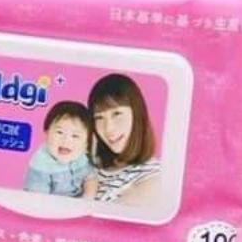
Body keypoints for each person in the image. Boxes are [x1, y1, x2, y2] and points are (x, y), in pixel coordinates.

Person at [87, 73, 160, 205]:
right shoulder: (89, 163)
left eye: (117, 114)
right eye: (99, 117)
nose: (108, 128)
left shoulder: (151, 179)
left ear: (137, 114)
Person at [23, 101, 98, 198]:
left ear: (86, 144)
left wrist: (87, 197)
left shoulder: (81, 156)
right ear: (46, 133)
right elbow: (38, 200)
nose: (66, 140)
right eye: (59, 132)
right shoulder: (41, 165)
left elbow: (90, 178)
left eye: (75, 136)